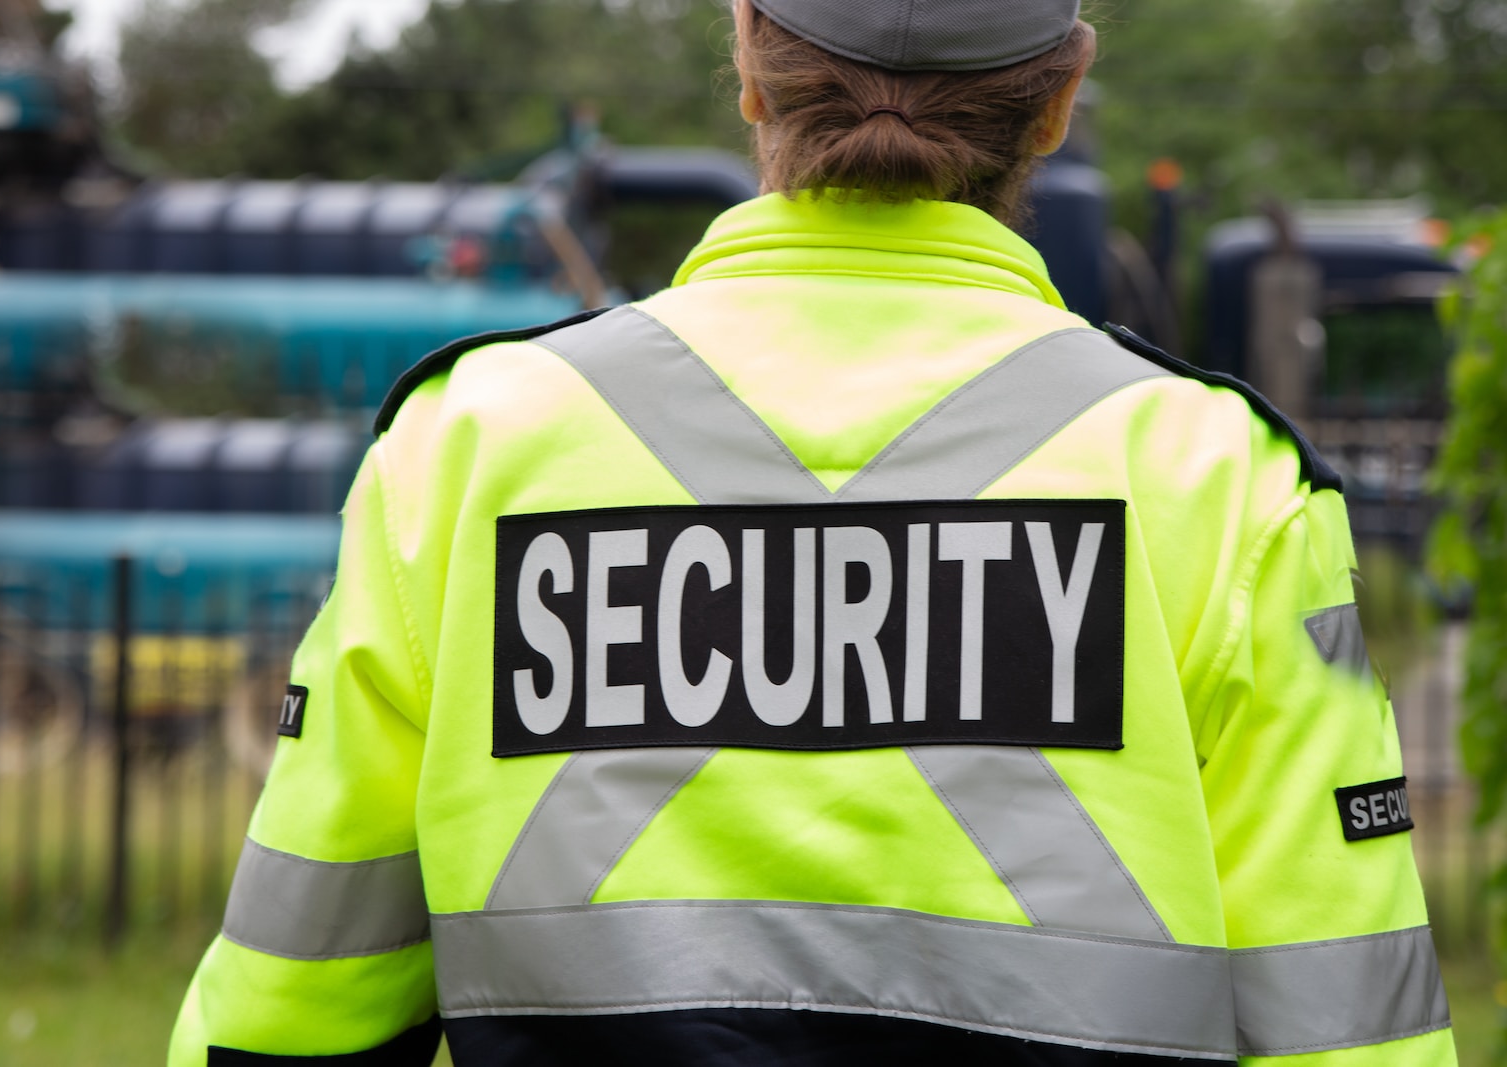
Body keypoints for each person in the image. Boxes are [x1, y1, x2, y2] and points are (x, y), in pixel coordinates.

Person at [170, 0, 1456, 1063]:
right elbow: (1347, 1022)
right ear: (1060, 101)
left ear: (749, 69)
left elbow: (294, 1002)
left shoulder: (469, 448)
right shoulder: (1217, 477)